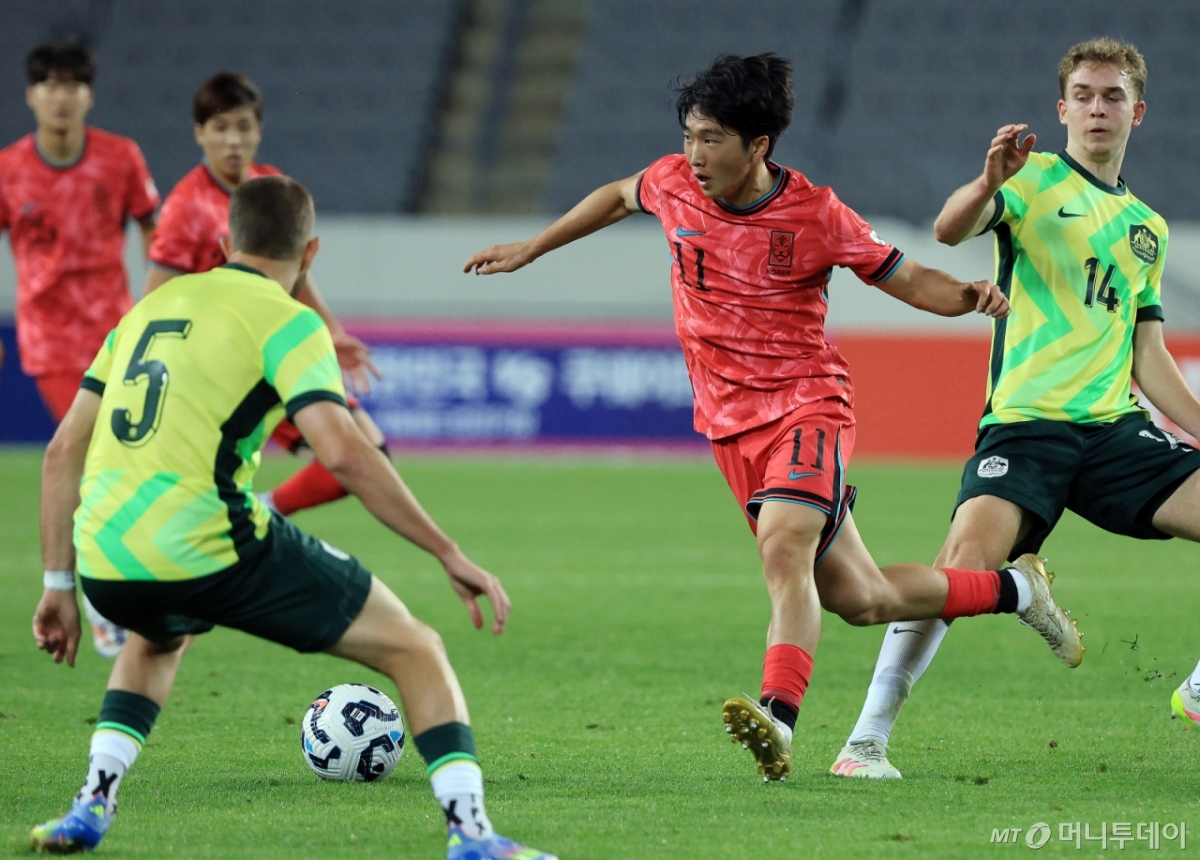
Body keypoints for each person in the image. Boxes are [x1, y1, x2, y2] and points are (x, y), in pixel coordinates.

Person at [464, 53, 1081, 782]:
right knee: (863, 598)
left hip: (806, 406)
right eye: (690, 136)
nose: (695, 154)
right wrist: (533, 248)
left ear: (759, 145)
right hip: (730, 428)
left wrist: (968, 295)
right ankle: (1019, 591)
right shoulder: (672, 182)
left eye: (713, 139)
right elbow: (618, 195)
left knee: (783, 547)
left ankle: (777, 720)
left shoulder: (816, 214)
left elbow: (906, 276)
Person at [29, 175, 556, 860]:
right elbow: (345, 452)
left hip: (107, 560)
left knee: (157, 638)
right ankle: (473, 834)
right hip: (210, 544)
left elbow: (62, 451)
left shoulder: (148, 310)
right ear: (311, 254)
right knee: (416, 648)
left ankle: (91, 804)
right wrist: (446, 551)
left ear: (225, 243)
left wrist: (59, 584)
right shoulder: (289, 320)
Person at [834, 37, 1200, 780]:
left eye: (1114, 96)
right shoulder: (1030, 180)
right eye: (1084, 96)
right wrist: (986, 180)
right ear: (1062, 109)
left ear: (1137, 112)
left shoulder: (1148, 230)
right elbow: (948, 230)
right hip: (1027, 428)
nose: (1098, 108)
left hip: (1114, 433)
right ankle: (865, 742)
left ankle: (1196, 693)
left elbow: (1148, 354)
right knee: (959, 569)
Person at [145, 70, 385, 519]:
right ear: (199, 134)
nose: (233, 140)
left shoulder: (270, 185)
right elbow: (154, 303)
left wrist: (331, 331)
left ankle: (260, 511)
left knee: (366, 452)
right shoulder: (184, 208)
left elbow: (296, 272)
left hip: (274, 355)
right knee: (357, 455)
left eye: (243, 126)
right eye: (220, 127)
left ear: (259, 130)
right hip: (223, 369)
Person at [0, 41, 160, 658]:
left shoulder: (120, 158)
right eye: (48, 84)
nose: (60, 96)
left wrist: (158, 299)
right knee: (94, 462)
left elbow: (153, 227)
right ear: (30, 94)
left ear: (89, 94)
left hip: (119, 335)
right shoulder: (10, 169)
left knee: (126, 464)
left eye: (71, 84)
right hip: (51, 340)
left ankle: (122, 588)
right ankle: (98, 603)